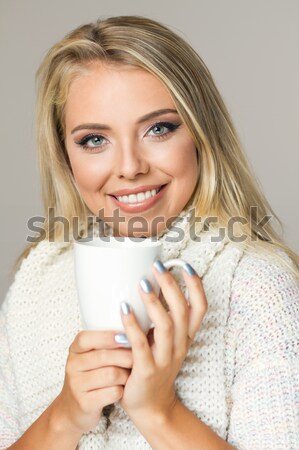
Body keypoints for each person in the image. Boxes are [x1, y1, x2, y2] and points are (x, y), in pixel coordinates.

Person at [1, 15, 298, 450]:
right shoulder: (36, 283)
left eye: (158, 128)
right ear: (66, 156)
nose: (129, 166)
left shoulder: (256, 288)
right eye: (94, 140)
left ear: (200, 134)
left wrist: (159, 412)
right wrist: (63, 418)